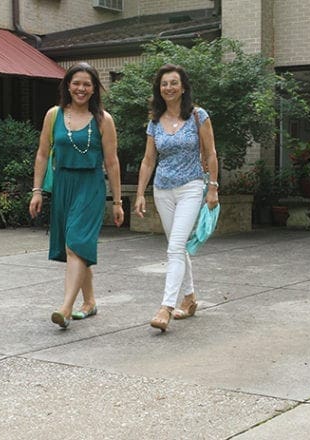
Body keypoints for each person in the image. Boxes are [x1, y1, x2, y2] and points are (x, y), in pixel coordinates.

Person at [29, 62, 124, 329]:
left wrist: (117, 202)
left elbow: (112, 162)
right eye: (76, 83)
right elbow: (42, 154)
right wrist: (37, 191)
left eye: (87, 84)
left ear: (94, 89)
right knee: (76, 247)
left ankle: (66, 307)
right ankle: (90, 301)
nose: (81, 89)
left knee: (75, 243)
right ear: (68, 86)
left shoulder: (103, 120)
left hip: (90, 185)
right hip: (63, 185)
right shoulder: (54, 115)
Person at [134, 64, 219, 332]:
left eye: (173, 83)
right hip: (162, 190)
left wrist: (213, 187)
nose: (168, 88)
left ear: (183, 87)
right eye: (164, 84)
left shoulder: (198, 115)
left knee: (174, 248)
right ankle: (190, 297)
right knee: (177, 247)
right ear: (159, 89)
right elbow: (148, 160)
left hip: (191, 187)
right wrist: (139, 193)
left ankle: (166, 307)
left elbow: (211, 153)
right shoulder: (154, 122)